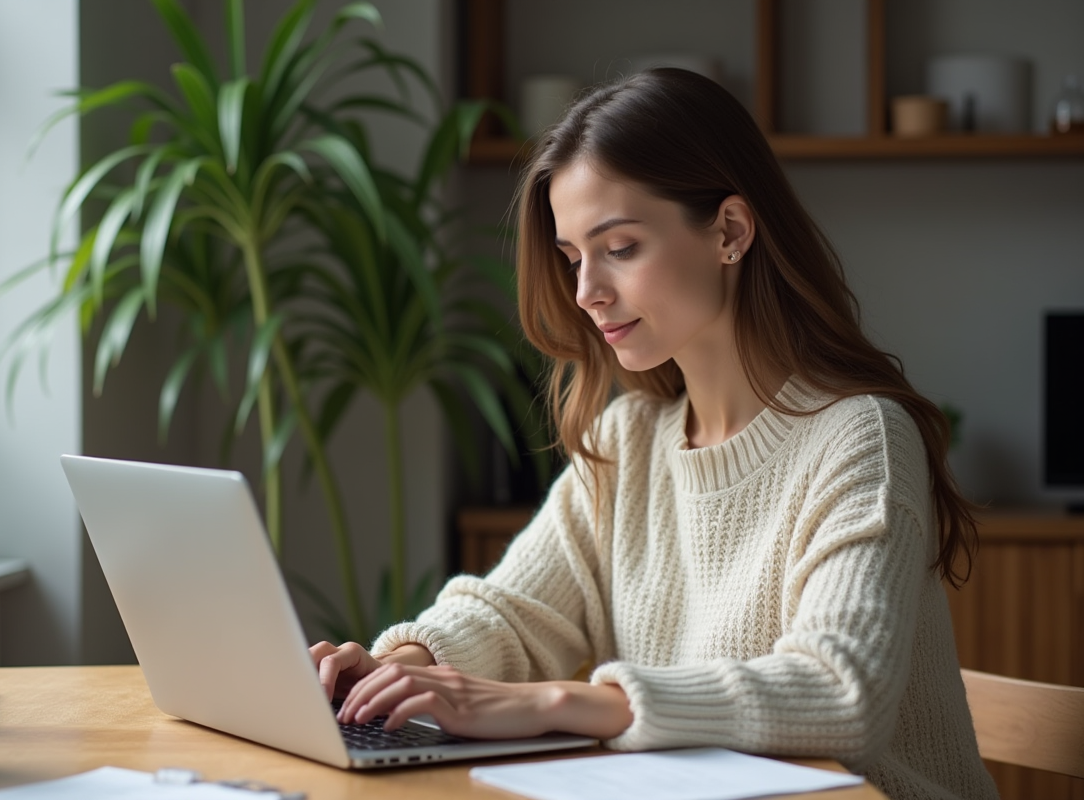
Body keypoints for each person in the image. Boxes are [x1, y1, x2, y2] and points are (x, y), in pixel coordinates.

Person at [309, 68, 998, 800]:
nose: (585, 293)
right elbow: (514, 612)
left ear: (729, 231)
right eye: (573, 257)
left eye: (621, 247)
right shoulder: (629, 439)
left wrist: (557, 702)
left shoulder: (860, 437)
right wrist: (404, 666)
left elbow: (839, 695)